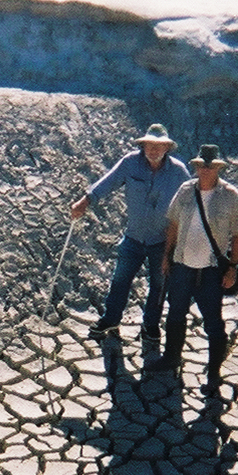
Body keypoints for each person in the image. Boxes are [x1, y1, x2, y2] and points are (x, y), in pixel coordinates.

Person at [70, 123, 189, 342]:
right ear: (143, 146)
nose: (153, 150)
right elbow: (107, 183)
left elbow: (190, 203)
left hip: (162, 240)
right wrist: (85, 201)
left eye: (159, 146)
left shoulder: (179, 171)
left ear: (167, 148)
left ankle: (150, 325)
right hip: (133, 237)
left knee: (158, 285)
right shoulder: (130, 163)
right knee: (120, 280)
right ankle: (111, 319)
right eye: (149, 145)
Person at [146, 145, 238, 394]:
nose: (204, 170)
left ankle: (213, 373)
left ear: (218, 168)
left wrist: (232, 268)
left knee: (214, 323)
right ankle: (171, 359)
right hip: (182, 266)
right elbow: (173, 225)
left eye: (210, 166)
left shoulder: (231, 196)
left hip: (211, 270)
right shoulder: (185, 190)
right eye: (201, 165)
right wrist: (167, 256)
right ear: (196, 166)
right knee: (175, 315)